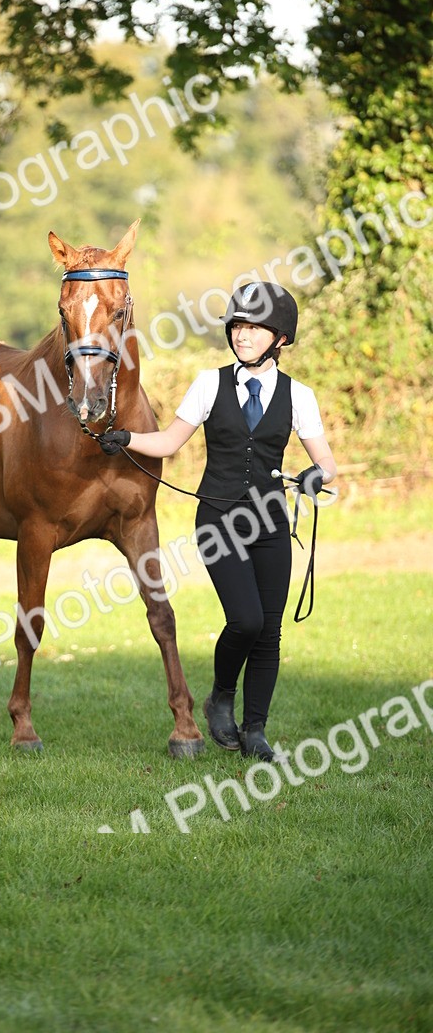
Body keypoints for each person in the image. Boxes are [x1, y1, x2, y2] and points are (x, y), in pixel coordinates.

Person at [98, 282, 337, 762]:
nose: (242, 335)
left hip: (271, 523)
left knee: (269, 631)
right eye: (237, 326)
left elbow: (327, 463)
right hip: (220, 520)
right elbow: (167, 442)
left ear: (281, 339)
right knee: (245, 620)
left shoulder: (300, 396)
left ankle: (256, 732)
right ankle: (220, 697)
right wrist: (124, 437)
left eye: (254, 328)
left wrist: (315, 475)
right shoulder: (209, 383)